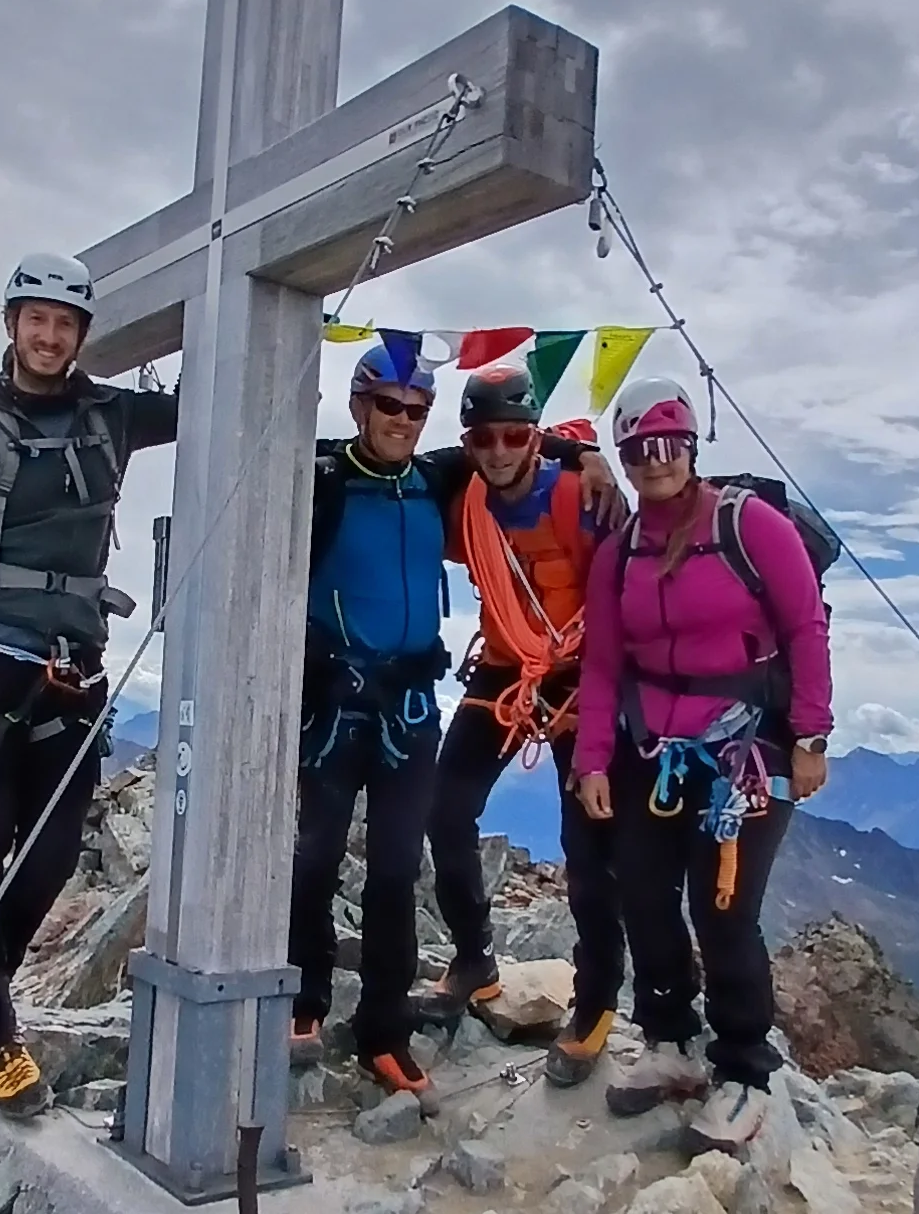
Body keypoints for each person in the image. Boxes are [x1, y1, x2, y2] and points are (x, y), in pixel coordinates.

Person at [0, 254, 177, 1116]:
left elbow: (214, 395)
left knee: (50, 852)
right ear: (11, 323)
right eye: (36, 319)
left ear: (83, 335)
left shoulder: (109, 416)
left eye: (66, 323)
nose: (49, 336)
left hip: (73, 665)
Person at [289, 343, 614, 1111]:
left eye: (414, 408)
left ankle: (390, 1032)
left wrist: (588, 450)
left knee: (407, 866)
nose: (402, 420)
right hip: (339, 699)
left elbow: (525, 437)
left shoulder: (450, 481)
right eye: (389, 404)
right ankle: (308, 998)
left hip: (450, 694)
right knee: (319, 854)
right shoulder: (338, 480)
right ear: (361, 404)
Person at [573, 379, 831, 1154]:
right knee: (645, 895)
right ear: (623, 458)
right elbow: (601, 666)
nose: (655, 462)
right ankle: (671, 1039)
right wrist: (591, 759)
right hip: (651, 749)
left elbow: (805, 626)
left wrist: (812, 737)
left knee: (723, 910)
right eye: (639, 450)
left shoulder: (750, 527)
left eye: (668, 445)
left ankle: (746, 1068)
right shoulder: (619, 556)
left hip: (748, 750)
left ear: (689, 448)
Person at [424, 360, 627, 1087]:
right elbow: (413, 460)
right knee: (445, 811)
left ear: (535, 435)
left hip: (585, 671)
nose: (501, 451)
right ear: (470, 441)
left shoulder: (584, 497)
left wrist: (586, 455)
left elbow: (622, 600)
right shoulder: (463, 501)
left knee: (587, 845)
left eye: (515, 434)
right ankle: (473, 958)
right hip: (507, 667)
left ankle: (598, 999)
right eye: (485, 437)